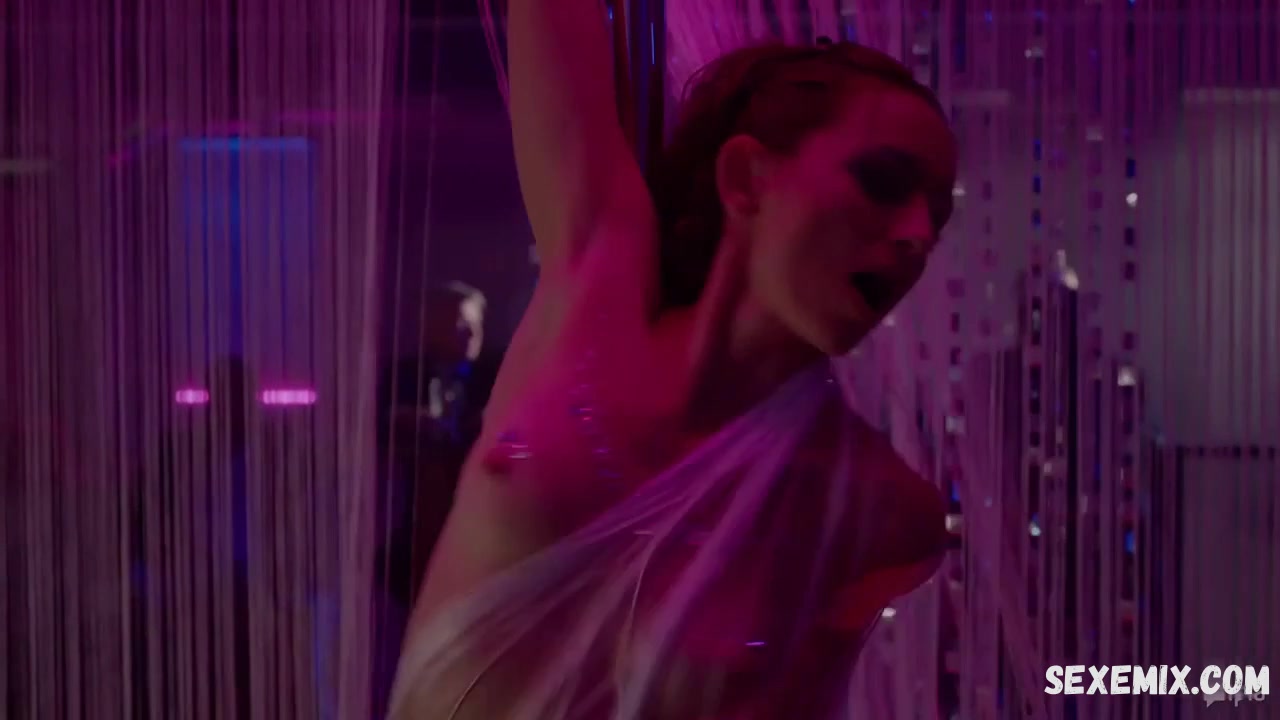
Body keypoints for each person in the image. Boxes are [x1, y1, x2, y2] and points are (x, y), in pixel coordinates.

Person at [389, 2, 956, 716]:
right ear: (747, 177)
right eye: (883, 182)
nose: (917, 235)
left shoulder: (876, 505)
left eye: (938, 214)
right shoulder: (597, 290)